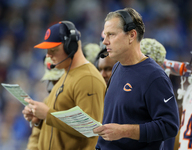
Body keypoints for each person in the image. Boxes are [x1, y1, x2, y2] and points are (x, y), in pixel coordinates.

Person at [93, 8, 179, 150]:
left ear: (132, 35)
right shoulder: (117, 67)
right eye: (105, 35)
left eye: (111, 35)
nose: (105, 42)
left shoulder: (154, 76)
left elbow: (169, 125)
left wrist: (124, 131)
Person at [22, 21, 106, 150]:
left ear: (70, 46)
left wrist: (48, 115)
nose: (48, 55)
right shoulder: (66, 76)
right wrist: (39, 120)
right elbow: (59, 127)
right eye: (47, 50)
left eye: (53, 50)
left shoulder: (88, 78)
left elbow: (92, 130)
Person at [26, 57, 65, 150]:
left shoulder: (76, 98)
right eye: (52, 80)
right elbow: (35, 138)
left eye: (58, 79)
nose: (55, 83)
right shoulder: (46, 102)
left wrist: (48, 115)